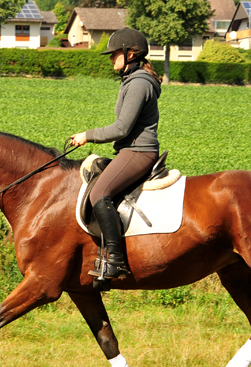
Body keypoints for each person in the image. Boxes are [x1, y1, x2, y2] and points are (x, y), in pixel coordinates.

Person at [70, 27, 162, 280]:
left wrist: (87, 135)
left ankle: (117, 261)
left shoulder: (139, 83)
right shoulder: (131, 80)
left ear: (131, 55)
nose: (111, 58)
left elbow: (121, 128)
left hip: (138, 152)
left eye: (115, 53)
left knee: (100, 193)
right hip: (130, 150)